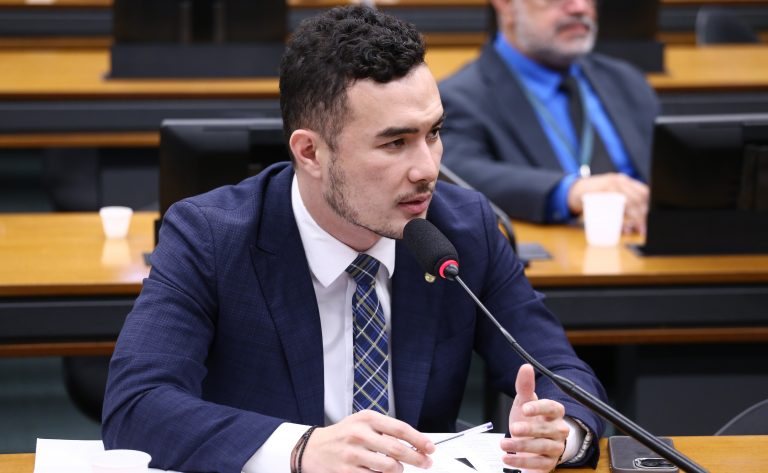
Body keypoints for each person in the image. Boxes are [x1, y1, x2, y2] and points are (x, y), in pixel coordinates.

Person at [102, 6, 606, 473]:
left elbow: (562, 372)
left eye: (433, 133)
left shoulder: (463, 227)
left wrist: (563, 431)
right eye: (395, 142)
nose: (428, 169)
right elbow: (136, 405)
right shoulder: (209, 236)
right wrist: (301, 448)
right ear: (310, 153)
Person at [439, 0, 659, 234]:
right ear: (506, 5)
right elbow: (457, 174)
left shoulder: (628, 82)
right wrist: (568, 191)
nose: (579, 7)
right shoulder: (460, 97)